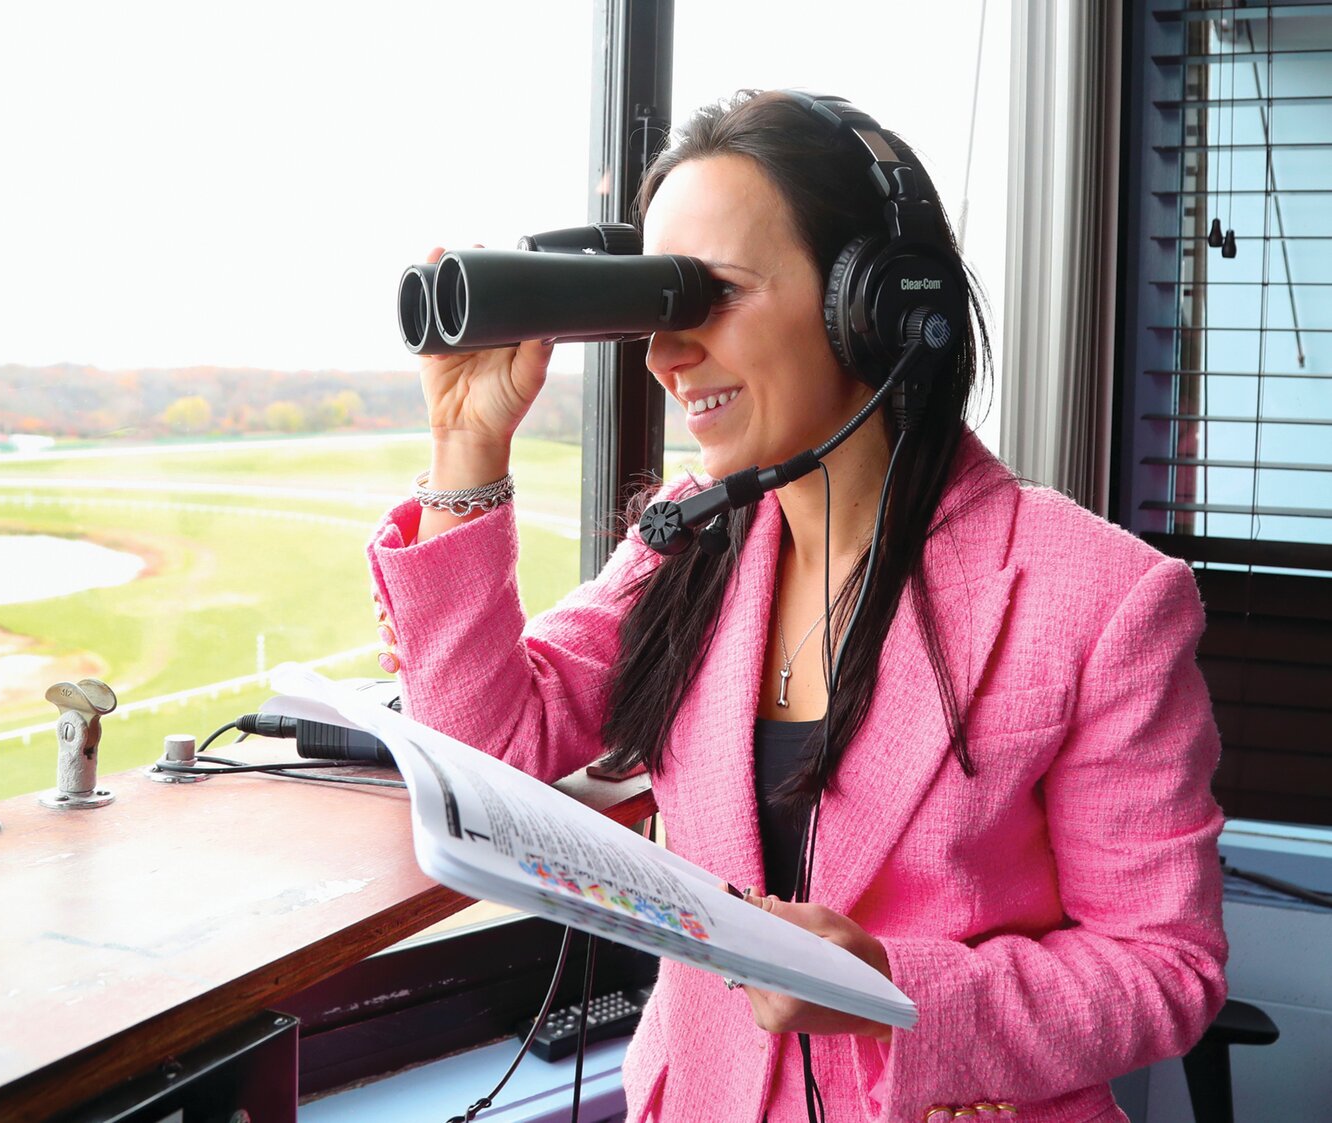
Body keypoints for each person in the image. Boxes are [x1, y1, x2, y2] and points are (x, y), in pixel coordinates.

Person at [367, 89, 1226, 1123]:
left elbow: (1163, 968)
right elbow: (487, 749)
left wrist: (895, 994)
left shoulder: (1102, 599)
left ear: (873, 303)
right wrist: (469, 451)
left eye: (711, 295)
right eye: (658, 306)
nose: (666, 354)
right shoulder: (691, 538)